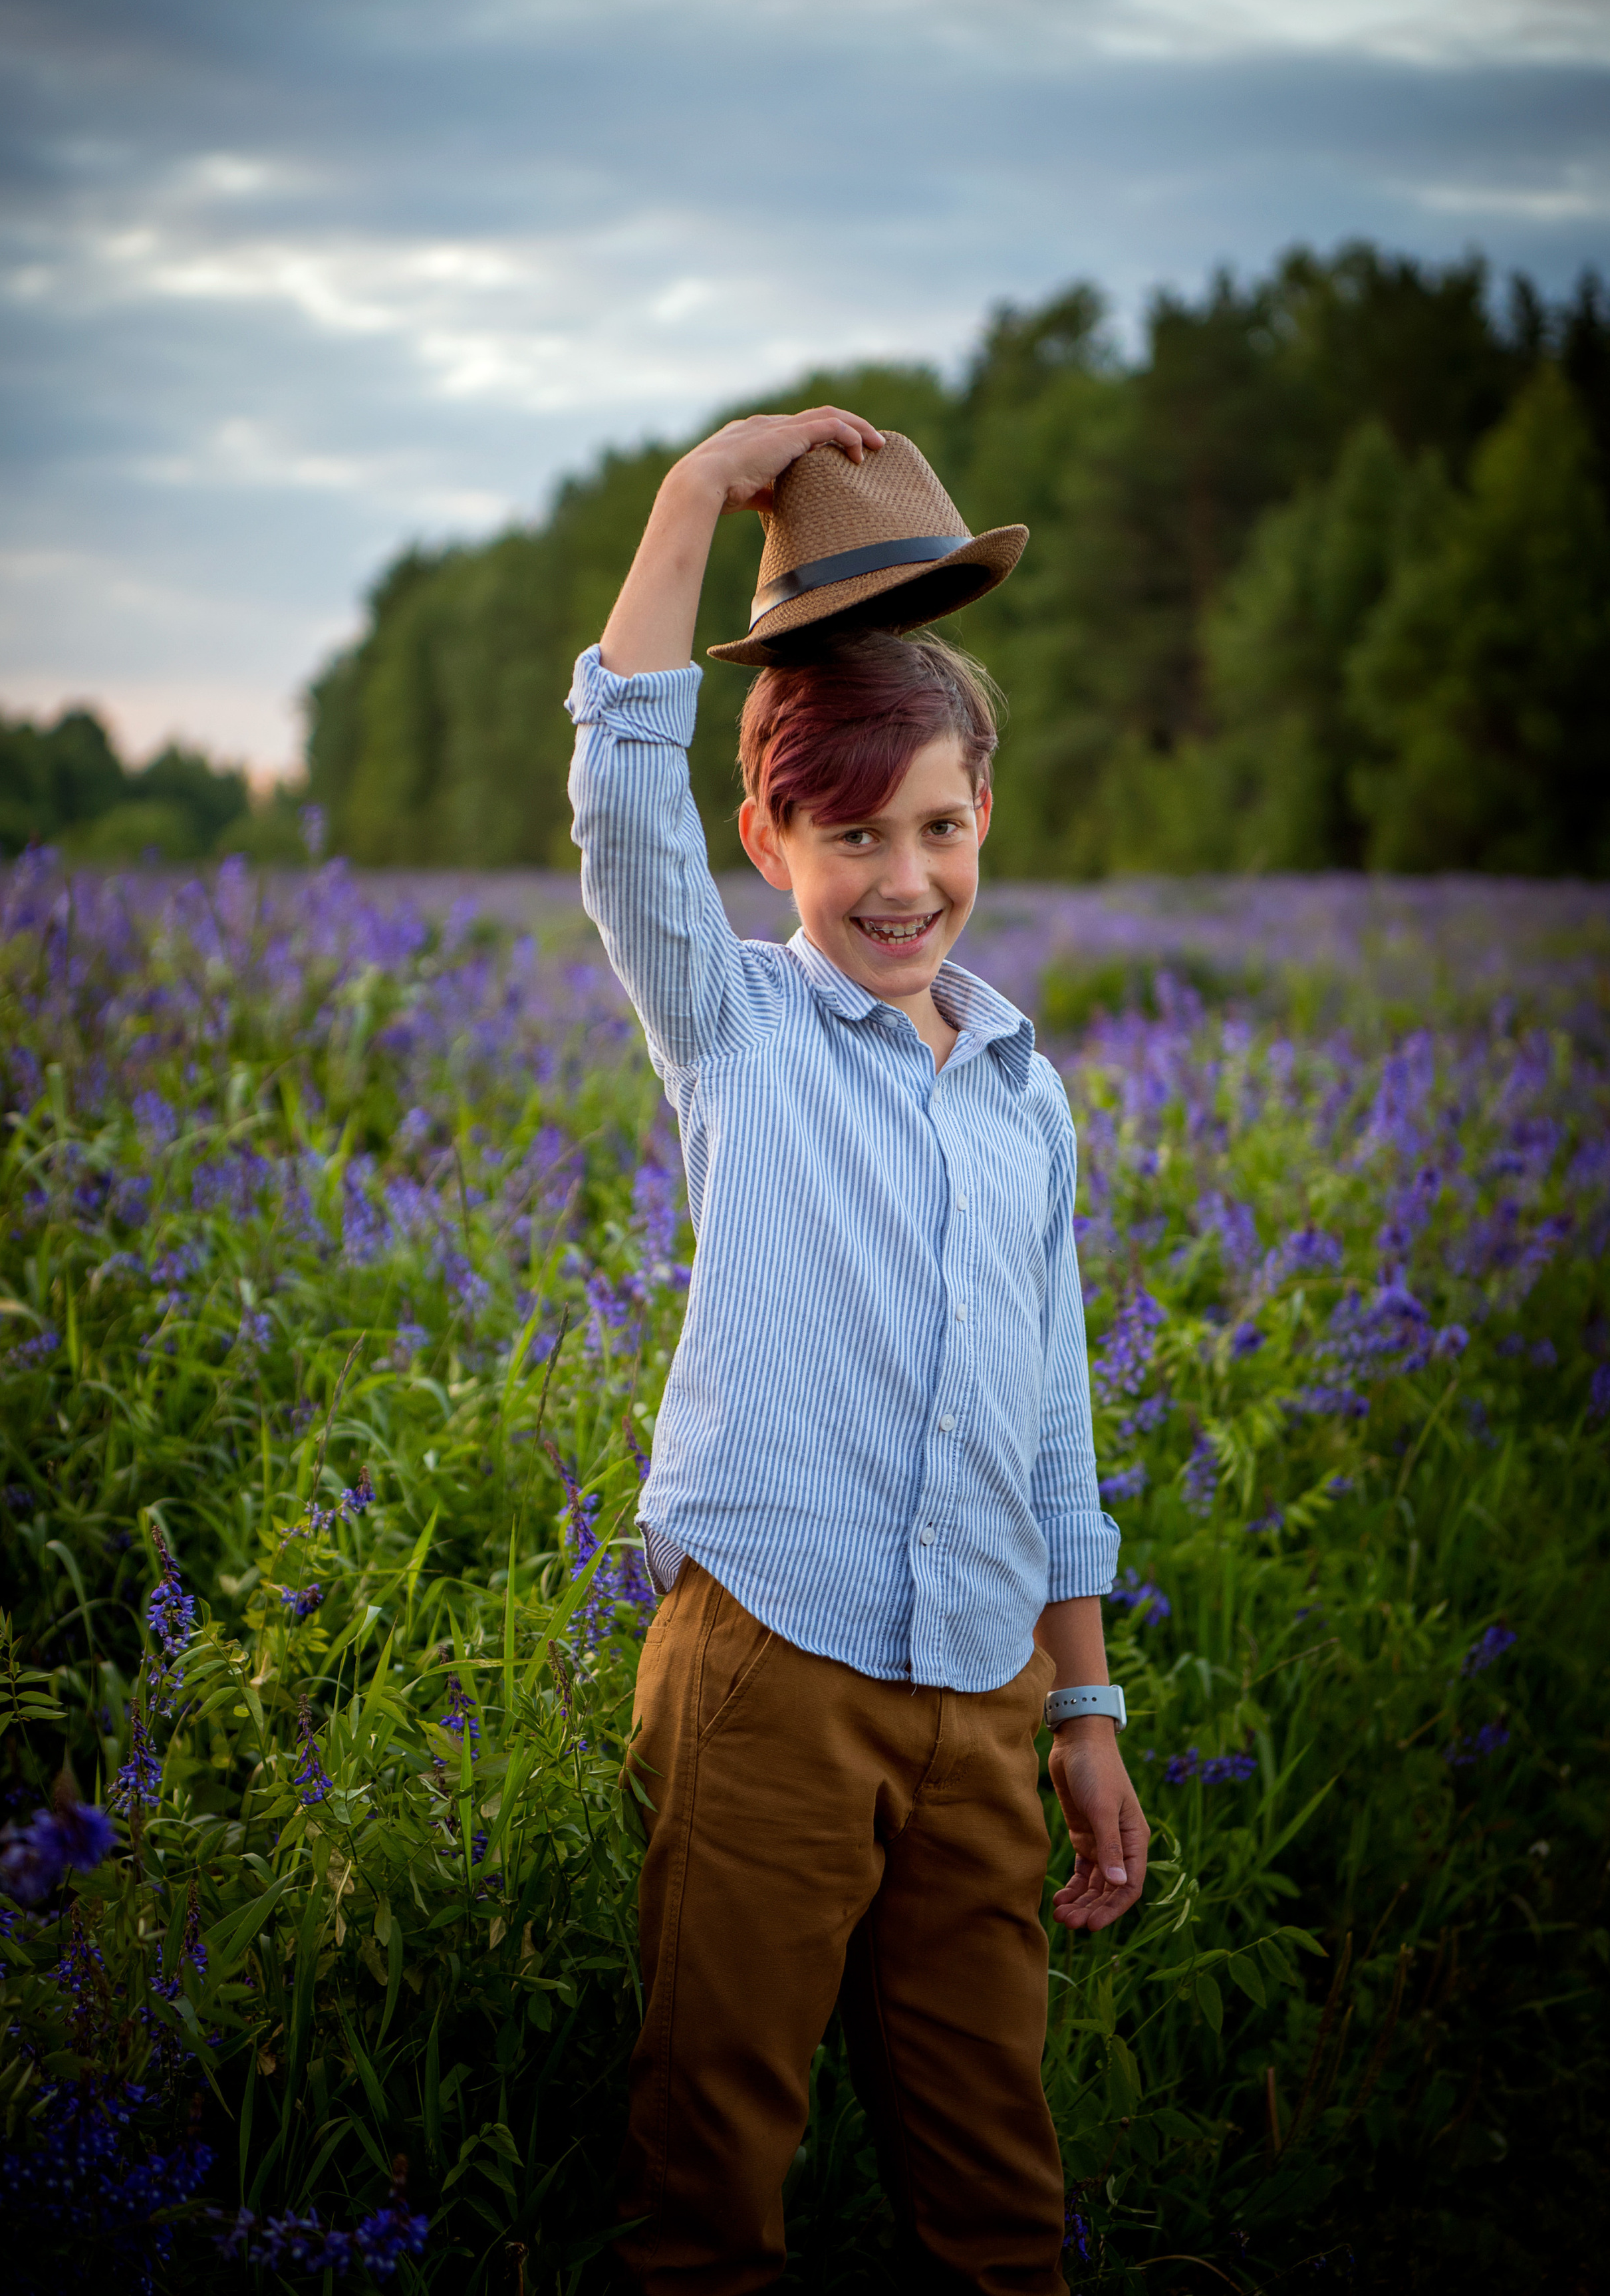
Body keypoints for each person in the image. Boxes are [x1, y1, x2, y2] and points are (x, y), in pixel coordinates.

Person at [565, 406, 1149, 2296]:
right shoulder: (725, 1023)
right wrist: (691, 497)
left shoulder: (1020, 1098)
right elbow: (616, 785)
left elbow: (1048, 1427)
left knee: (999, 2194)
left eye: (942, 826)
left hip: (987, 1688)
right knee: (711, 2174)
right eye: (851, 832)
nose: (903, 879)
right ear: (769, 837)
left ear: (988, 815)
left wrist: (1083, 1708)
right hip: (771, 1674)